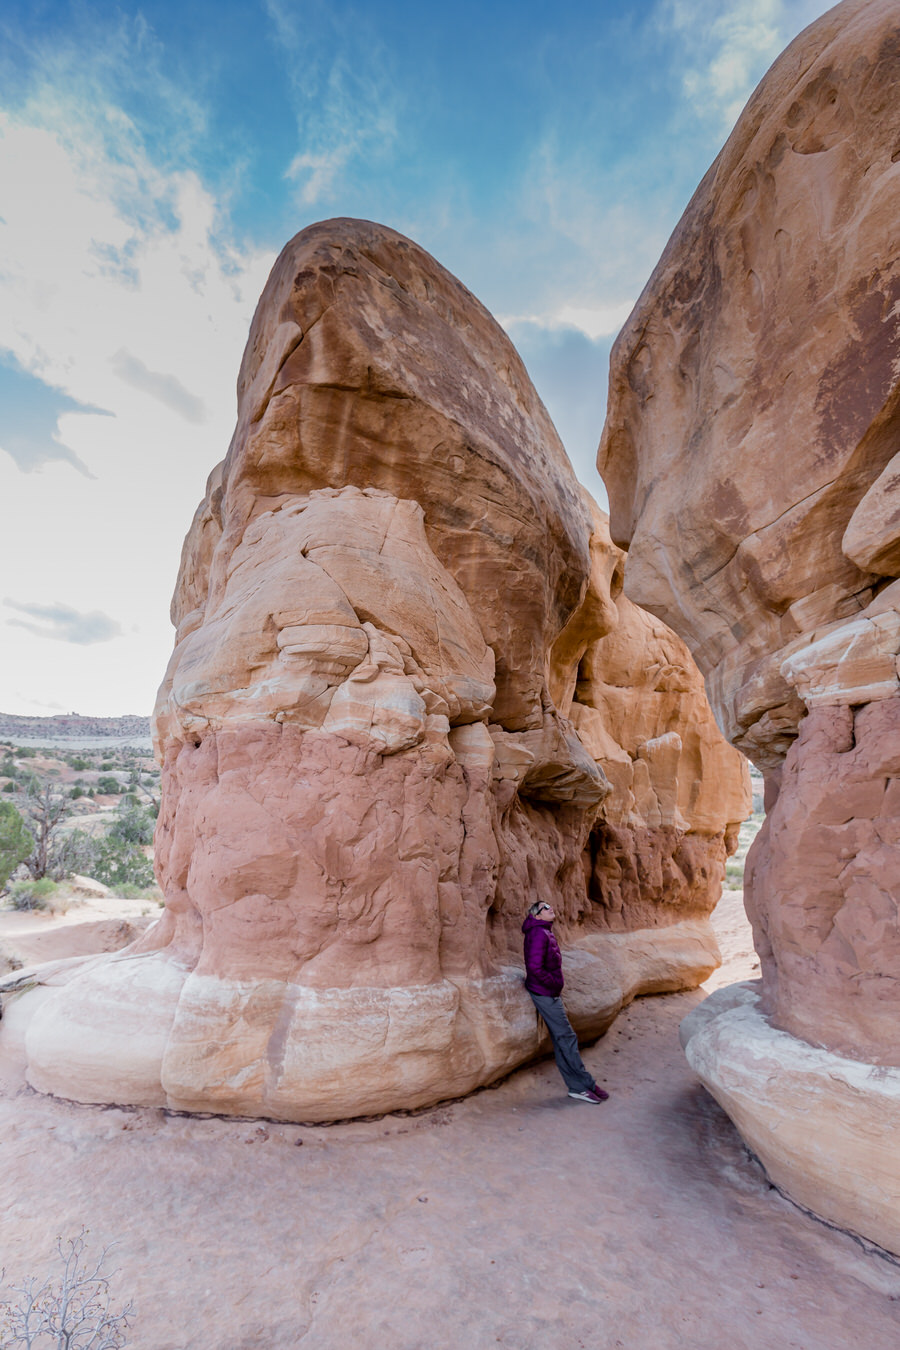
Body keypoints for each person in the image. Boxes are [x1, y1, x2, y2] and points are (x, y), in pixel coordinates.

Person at [522, 899, 609, 1104]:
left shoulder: (543, 931)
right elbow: (534, 968)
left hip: (547, 992)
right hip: (545, 994)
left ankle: (580, 1085)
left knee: (562, 1041)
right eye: (545, 908)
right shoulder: (537, 934)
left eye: (550, 905)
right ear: (536, 915)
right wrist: (552, 985)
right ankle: (583, 1084)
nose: (550, 908)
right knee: (567, 1038)